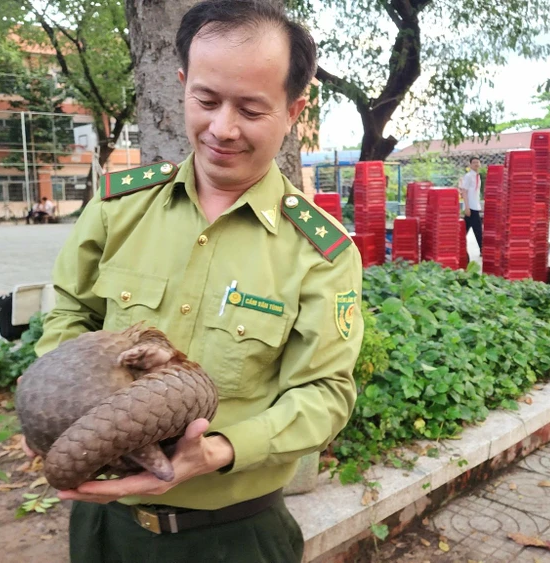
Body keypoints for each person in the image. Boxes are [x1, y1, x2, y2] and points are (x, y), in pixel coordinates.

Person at [27, 2, 363, 561]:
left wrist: (219, 450)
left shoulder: (318, 251)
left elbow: (325, 394)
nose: (222, 129)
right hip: (105, 529)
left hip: (234, 537)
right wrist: (75, 400)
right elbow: (68, 312)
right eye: (206, 101)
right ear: (182, 84)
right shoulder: (118, 209)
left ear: (293, 110)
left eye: (252, 110)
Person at [458, 156, 483, 252]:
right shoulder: (468, 176)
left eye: (478, 162)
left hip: (474, 206)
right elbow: (464, 191)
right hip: (471, 207)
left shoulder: (477, 176)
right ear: (470, 164)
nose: (476, 164)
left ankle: (457, 244)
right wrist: (467, 207)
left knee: (465, 228)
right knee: (478, 229)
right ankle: (482, 249)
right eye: (474, 162)